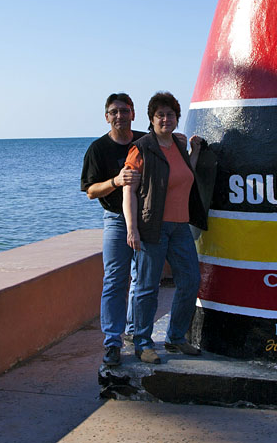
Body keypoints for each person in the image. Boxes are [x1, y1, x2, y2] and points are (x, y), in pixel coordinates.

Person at [123, 91, 208, 364]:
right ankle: (143, 343)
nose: (165, 119)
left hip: (180, 226)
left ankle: (175, 338)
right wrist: (132, 228)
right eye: (160, 115)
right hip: (152, 227)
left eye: (170, 115)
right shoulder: (142, 147)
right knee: (148, 287)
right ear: (151, 118)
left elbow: (186, 176)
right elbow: (129, 191)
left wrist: (193, 153)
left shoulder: (179, 146)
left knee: (190, 281)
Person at [81, 93, 145, 367]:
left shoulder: (145, 142)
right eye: (114, 111)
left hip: (146, 218)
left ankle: (134, 332)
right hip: (116, 220)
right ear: (107, 116)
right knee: (115, 280)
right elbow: (91, 191)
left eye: (125, 110)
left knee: (142, 279)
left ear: (134, 113)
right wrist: (116, 181)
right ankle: (112, 342)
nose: (120, 115)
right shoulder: (98, 149)